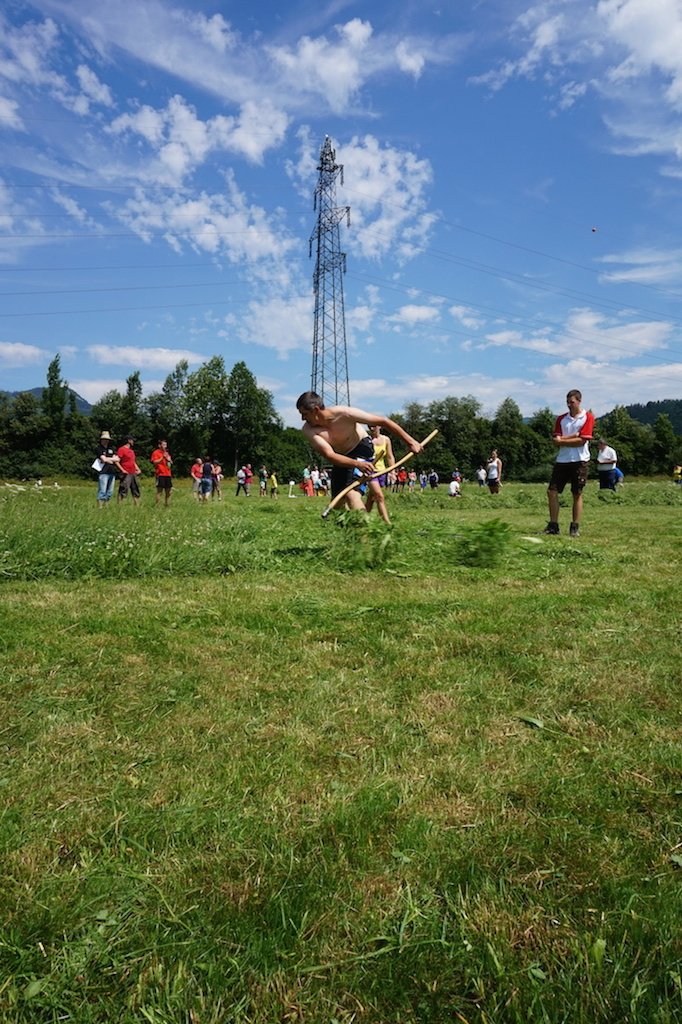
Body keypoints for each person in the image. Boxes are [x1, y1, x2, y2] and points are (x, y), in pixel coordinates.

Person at [296, 391, 422, 524]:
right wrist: (357, 464)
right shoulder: (308, 430)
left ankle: (367, 530)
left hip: (361, 449)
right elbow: (330, 455)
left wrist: (411, 442)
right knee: (337, 503)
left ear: (316, 410)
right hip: (342, 458)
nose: (303, 418)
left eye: (305, 414)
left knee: (351, 493)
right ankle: (346, 530)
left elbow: (383, 421)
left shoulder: (344, 413)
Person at [544, 389, 595, 537]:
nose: (569, 405)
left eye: (572, 402)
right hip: (562, 460)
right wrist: (573, 436)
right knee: (552, 492)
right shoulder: (561, 419)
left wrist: (563, 440)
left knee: (576, 493)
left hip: (580, 460)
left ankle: (574, 527)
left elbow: (582, 441)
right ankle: (553, 526)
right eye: (567, 402)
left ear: (579, 401)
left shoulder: (588, 417)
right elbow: (555, 441)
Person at [95, 430, 119, 508]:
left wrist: (108, 459)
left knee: (110, 491)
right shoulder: (99, 448)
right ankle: (100, 506)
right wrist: (111, 459)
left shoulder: (111, 448)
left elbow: (117, 459)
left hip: (112, 471)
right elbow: (103, 459)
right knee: (102, 490)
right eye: (104, 439)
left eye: (107, 439)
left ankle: (106, 505)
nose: (106, 441)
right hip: (103, 472)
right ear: (101, 440)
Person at [116, 435, 141, 505]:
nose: (133, 442)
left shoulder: (131, 451)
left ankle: (137, 505)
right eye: (132, 440)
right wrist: (122, 470)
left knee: (135, 488)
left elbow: (133, 462)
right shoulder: (121, 449)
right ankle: (120, 505)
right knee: (124, 488)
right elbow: (117, 461)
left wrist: (138, 469)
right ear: (129, 441)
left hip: (133, 472)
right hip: (126, 472)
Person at [369, 424, 395, 488]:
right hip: (371, 471)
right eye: (369, 426)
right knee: (378, 493)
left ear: (379, 426)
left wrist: (392, 472)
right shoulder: (367, 440)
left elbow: (389, 457)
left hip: (382, 471)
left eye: (374, 426)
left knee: (374, 493)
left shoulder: (386, 440)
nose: (371, 428)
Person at [150, 439, 173, 506]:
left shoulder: (166, 453)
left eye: (166, 445)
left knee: (169, 491)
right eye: (164, 445)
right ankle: (157, 505)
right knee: (160, 491)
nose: (165, 446)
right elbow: (154, 462)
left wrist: (169, 460)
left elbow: (171, 463)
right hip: (160, 474)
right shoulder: (156, 452)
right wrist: (162, 457)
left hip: (168, 474)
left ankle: (167, 504)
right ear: (159, 445)